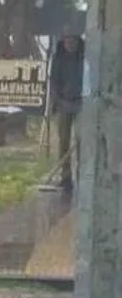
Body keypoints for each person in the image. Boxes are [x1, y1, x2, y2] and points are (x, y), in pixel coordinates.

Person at [50, 32, 85, 190]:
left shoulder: (84, 58)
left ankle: (82, 174)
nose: (70, 44)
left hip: (82, 105)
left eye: (73, 41)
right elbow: (54, 83)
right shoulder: (58, 59)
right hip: (64, 104)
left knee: (81, 141)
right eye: (67, 41)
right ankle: (65, 176)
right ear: (63, 42)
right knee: (64, 141)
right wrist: (57, 101)